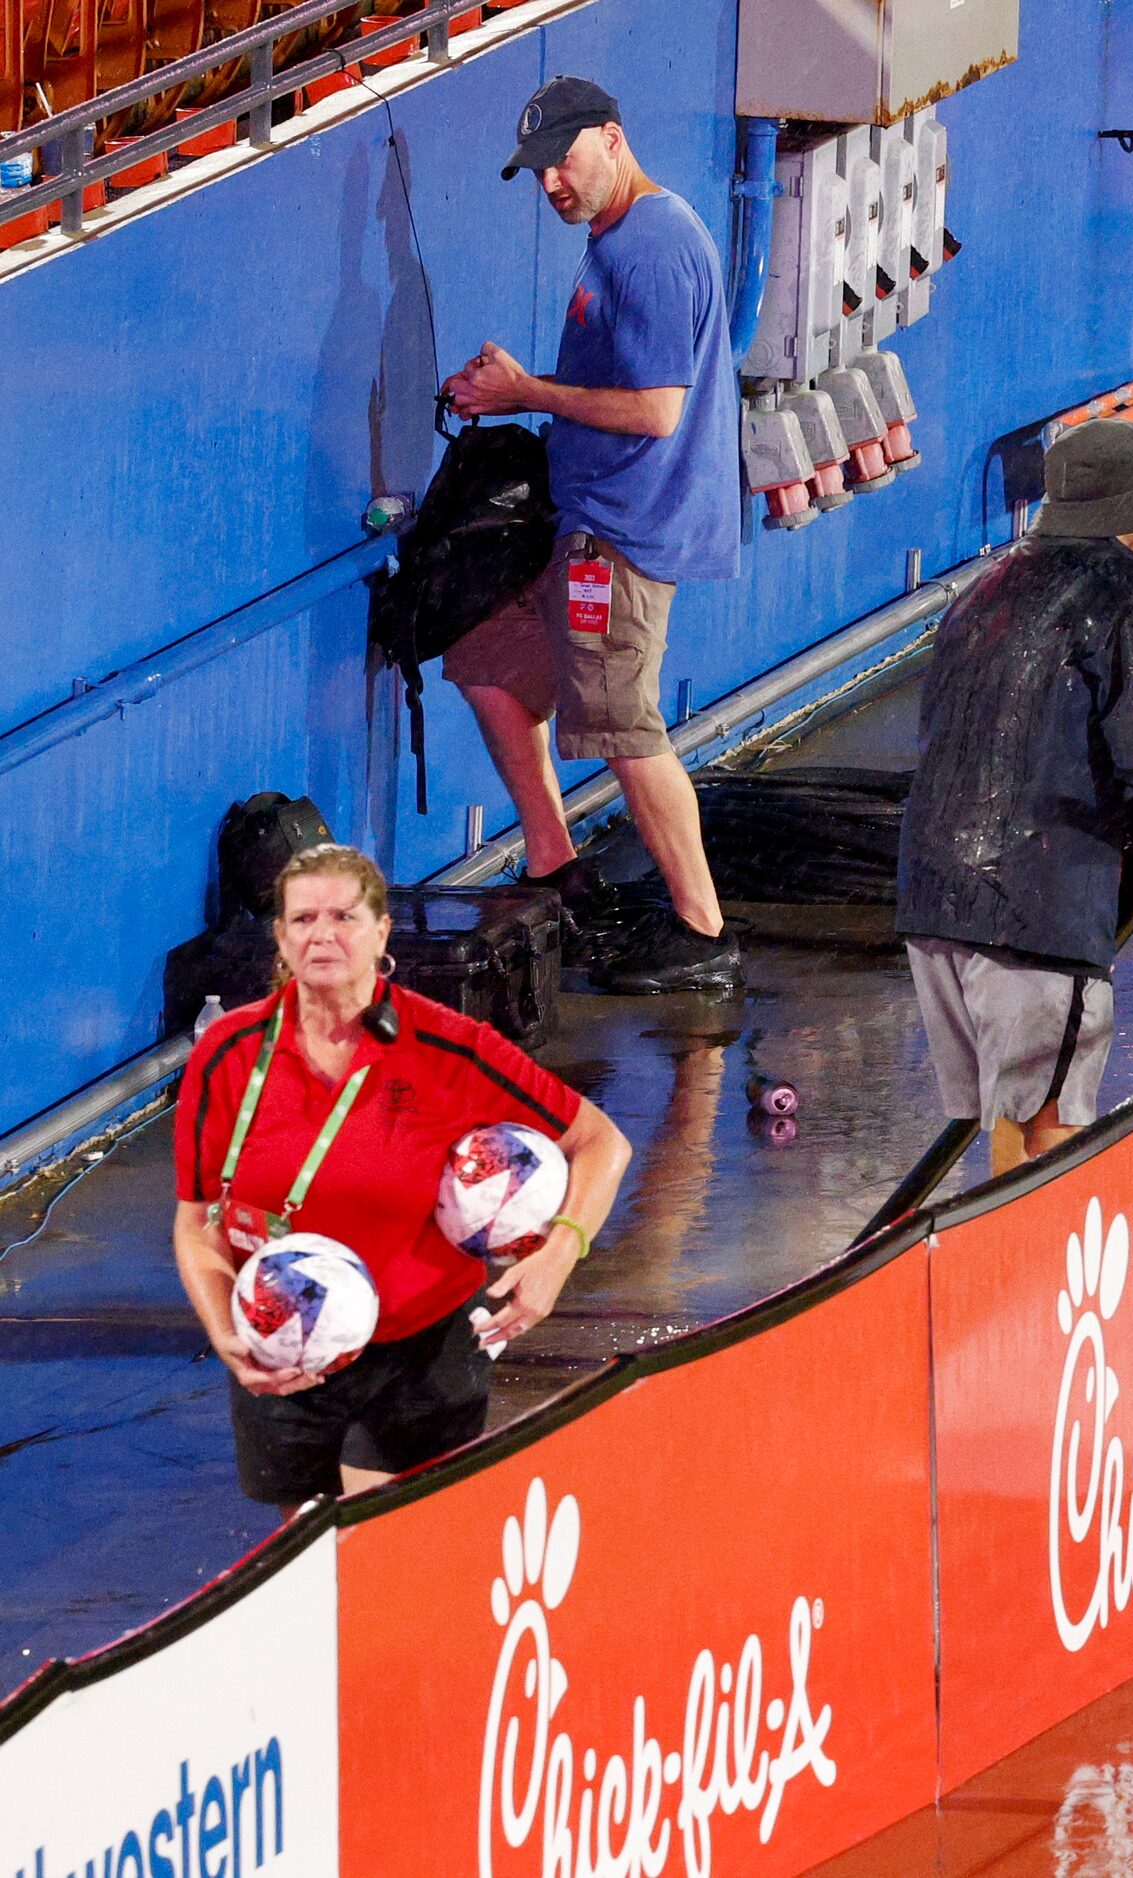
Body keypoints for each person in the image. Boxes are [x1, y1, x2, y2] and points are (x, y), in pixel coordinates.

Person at [172, 845, 632, 1502]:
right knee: (302, 1545)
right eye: (302, 920)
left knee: (415, 1538)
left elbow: (600, 1142)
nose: (322, 935)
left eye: (344, 917)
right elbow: (196, 1225)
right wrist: (225, 1332)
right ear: (279, 935)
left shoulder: (449, 1047)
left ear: (382, 930)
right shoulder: (227, 1054)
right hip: (283, 1337)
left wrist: (559, 1253)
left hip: (426, 1350)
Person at [439, 76, 745, 994]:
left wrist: (523, 393)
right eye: (536, 173)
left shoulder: (647, 248)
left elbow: (657, 410)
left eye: (562, 164)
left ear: (612, 139)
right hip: (587, 521)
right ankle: (551, 862)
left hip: (620, 535)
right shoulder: (626, 236)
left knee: (624, 728)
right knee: (487, 659)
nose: (550, 187)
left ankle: (702, 933)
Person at [899, 421, 1133, 1173]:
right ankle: (1040, 1284)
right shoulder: (1132, 599)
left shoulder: (984, 588)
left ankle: (995, 1274)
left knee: (1009, 1108)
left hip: (933, 892)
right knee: (1055, 1121)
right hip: (1035, 905)